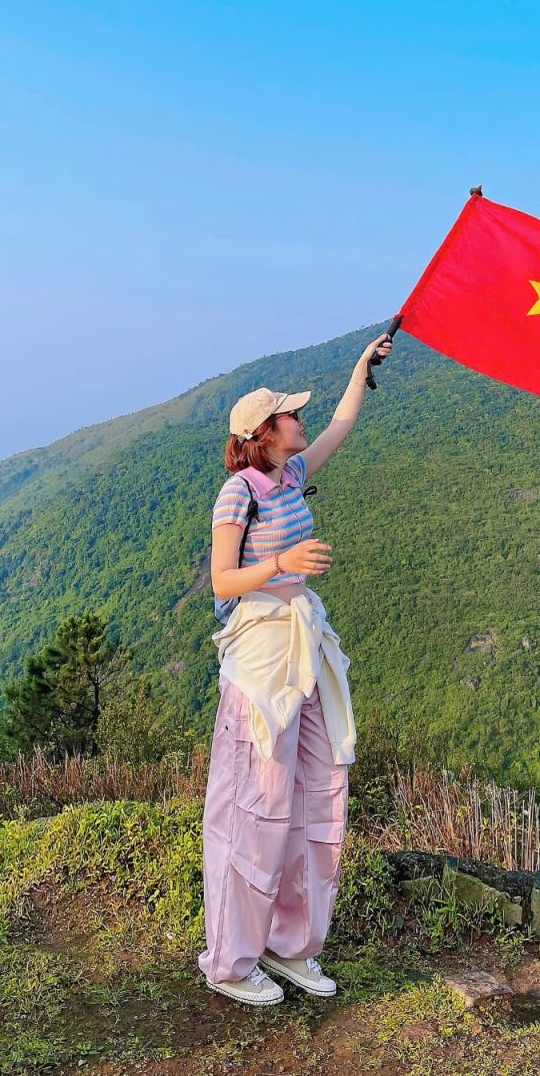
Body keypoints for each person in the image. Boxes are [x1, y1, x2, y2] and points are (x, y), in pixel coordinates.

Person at [197, 332, 394, 1006]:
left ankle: (291, 944)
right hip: (260, 662)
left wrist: (362, 368)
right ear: (265, 432)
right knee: (256, 807)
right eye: (290, 414)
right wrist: (281, 564)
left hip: (303, 651)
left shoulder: (292, 474)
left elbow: (341, 424)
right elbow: (223, 581)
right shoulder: (238, 494)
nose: (301, 419)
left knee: (316, 793)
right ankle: (231, 960)